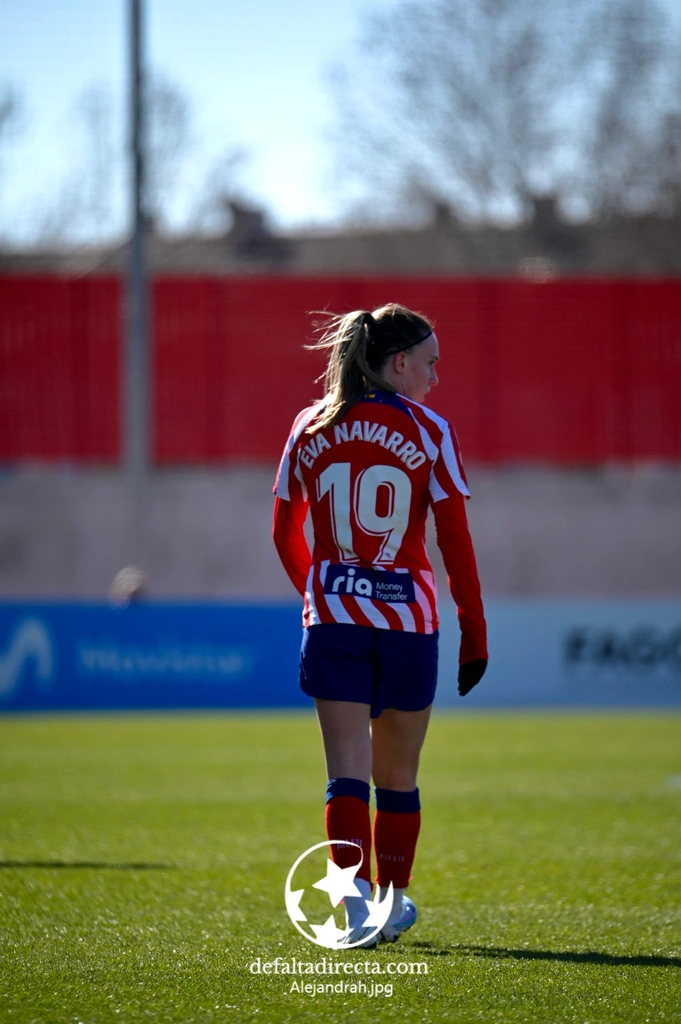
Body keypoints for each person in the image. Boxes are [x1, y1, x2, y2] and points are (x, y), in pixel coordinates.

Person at [272, 303, 487, 947]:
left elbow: (285, 532)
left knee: (346, 769)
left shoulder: (310, 423)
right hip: (408, 623)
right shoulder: (430, 429)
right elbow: (455, 540)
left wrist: (323, 593)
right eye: (430, 364)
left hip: (335, 617)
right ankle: (389, 903)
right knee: (398, 776)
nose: (435, 377)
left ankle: (354, 906)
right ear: (399, 363)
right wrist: (474, 631)